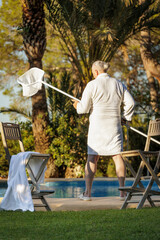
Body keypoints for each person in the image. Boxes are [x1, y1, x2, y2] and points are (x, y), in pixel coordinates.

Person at [72, 60, 135, 201]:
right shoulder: (118, 84)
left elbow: (83, 109)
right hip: (114, 126)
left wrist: (77, 105)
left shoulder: (92, 85)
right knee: (117, 157)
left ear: (96, 71)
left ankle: (87, 194)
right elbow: (131, 103)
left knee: (92, 158)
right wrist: (126, 118)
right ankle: (122, 194)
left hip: (97, 128)